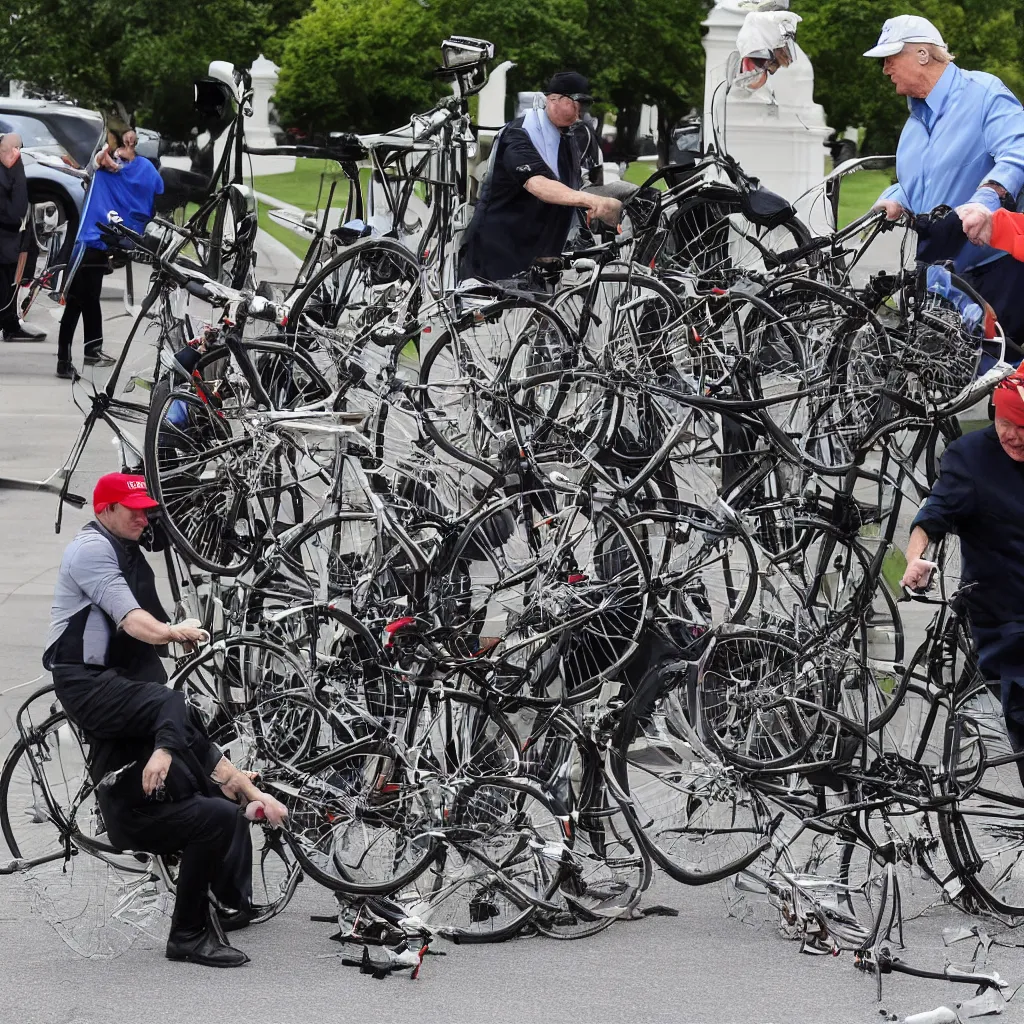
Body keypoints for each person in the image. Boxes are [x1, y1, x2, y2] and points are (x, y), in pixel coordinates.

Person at [44, 472, 288, 967]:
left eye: (145, 509)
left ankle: (227, 901)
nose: (142, 516)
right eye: (131, 508)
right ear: (104, 509)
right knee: (173, 719)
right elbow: (131, 618)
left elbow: (202, 747)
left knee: (195, 744)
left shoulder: (130, 549)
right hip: (87, 681)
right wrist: (173, 633)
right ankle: (189, 932)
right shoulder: (91, 551)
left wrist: (257, 794)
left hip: (121, 679)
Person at [864, 15, 1024, 346]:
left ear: (922, 54)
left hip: (994, 272)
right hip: (938, 278)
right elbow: (916, 185)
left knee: (1005, 384)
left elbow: (1017, 151)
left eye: (890, 58)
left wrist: (985, 201)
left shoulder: (983, 93)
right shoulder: (912, 126)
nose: (885, 69)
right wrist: (894, 199)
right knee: (941, 384)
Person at [901, 365, 1024, 788]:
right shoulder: (970, 459)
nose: (1016, 436)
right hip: (1009, 628)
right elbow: (933, 517)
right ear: (994, 410)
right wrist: (916, 559)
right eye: (1008, 423)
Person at [458, 72, 622, 287]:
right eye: (577, 102)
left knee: (542, 318)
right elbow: (537, 183)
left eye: (586, 103)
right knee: (491, 318)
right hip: (497, 253)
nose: (582, 109)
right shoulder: (520, 134)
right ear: (553, 99)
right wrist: (592, 201)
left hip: (538, 255)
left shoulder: (567, 136)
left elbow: (572, 186)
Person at [57, 128, 164, 379]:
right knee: (76, 301)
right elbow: (99, 164)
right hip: (92, 244)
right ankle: (66, 360)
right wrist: (107, 158)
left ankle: (91, 350)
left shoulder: (125, 171)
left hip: (95, 244)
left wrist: (111, 159)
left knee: (88, 298)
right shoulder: (117, 170)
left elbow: (102, 164)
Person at [0, 133, 45, 342]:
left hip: (13, 234)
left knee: (11, 279)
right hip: (7, 229)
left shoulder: (15, 164)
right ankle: (8, 322)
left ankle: (10, 323)